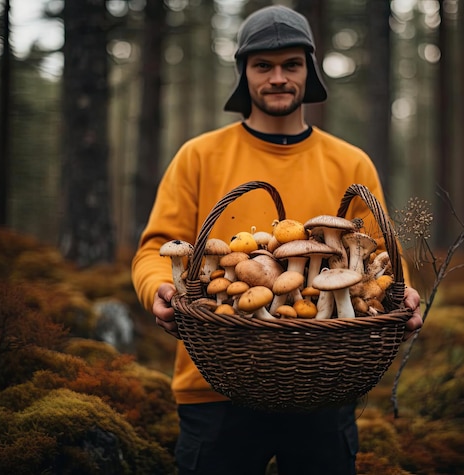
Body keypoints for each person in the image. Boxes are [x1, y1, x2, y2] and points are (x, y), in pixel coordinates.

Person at [132, 5, 423, 475]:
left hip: (325, 378)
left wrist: (403, 295)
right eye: (262, 65)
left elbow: (385, 260)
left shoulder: (350, 163)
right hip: (215, 383)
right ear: (243, 73)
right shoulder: (199, 156)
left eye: (292, 64)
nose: (278, 78)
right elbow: (156, 247)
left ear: (309, 71)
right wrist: (158, 289)